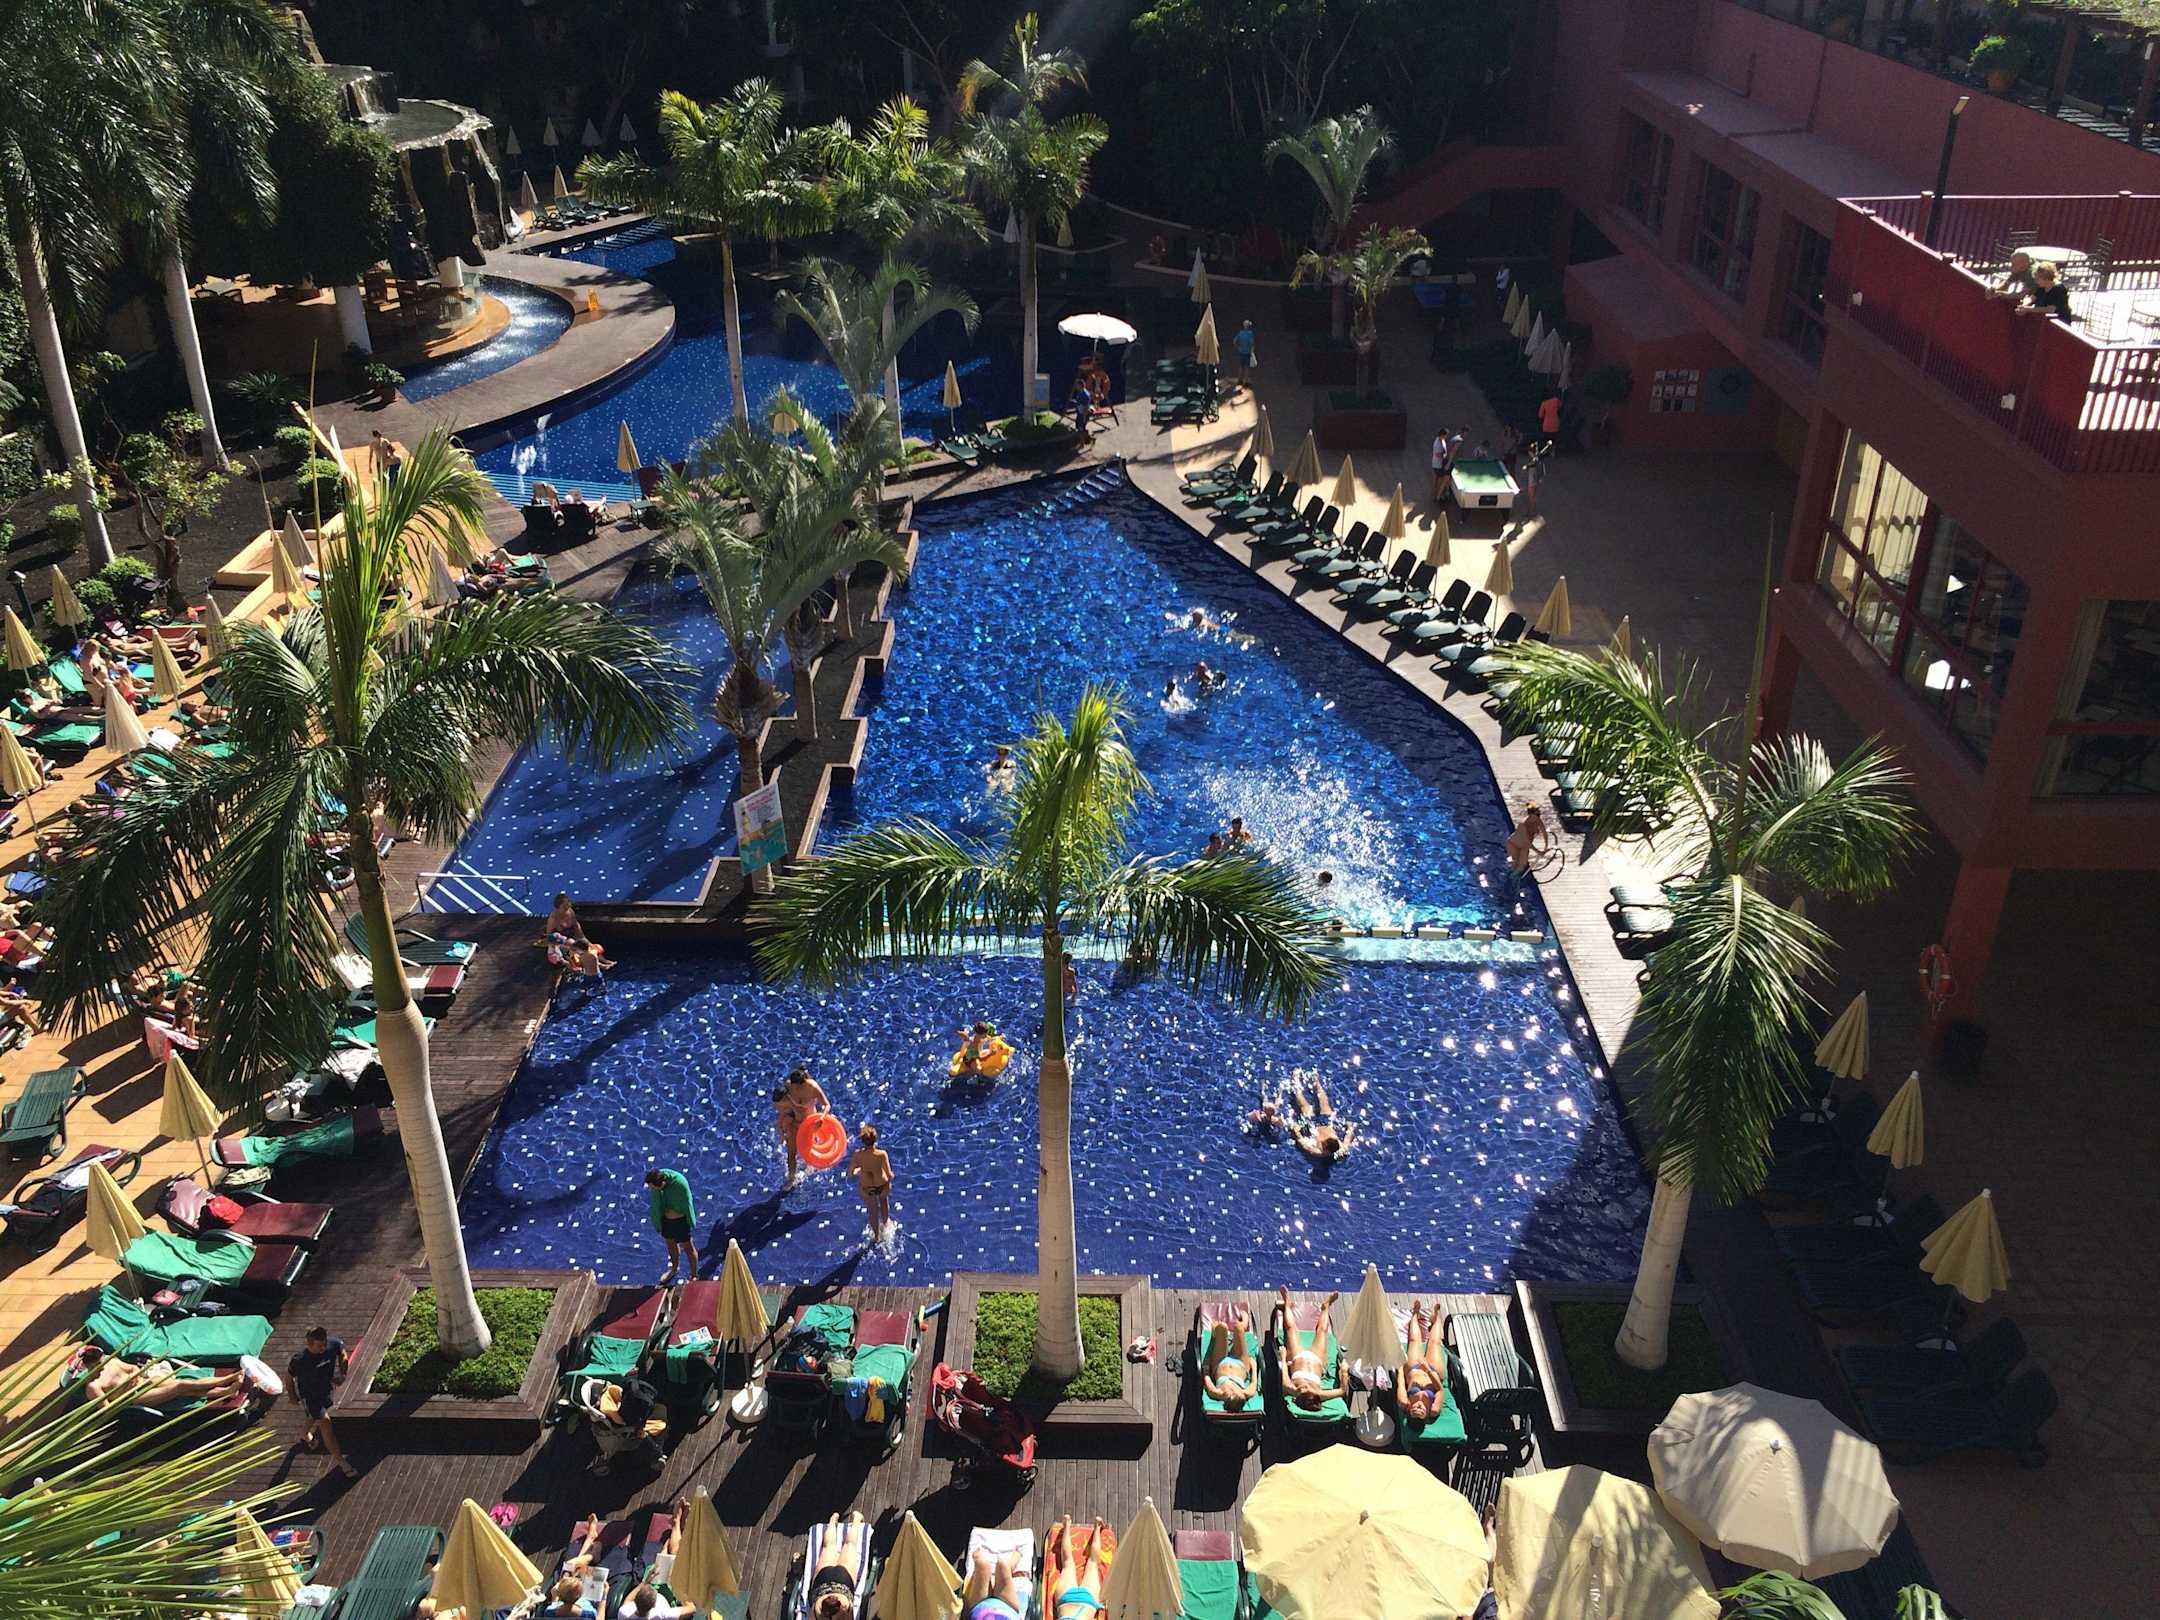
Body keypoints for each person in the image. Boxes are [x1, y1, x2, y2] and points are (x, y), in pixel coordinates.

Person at [287, 1325, 356, 1478]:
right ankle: (342, 1462)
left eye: (324, 1343)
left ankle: (304, 1433)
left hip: (326, 1390)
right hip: (310, 1396)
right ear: (309, 1344)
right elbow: (289, 1377)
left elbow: (342, 1355)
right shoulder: (300, 1360)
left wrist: (343, 1374)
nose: (323, 1348)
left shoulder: (333, 1344)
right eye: (319, 1346)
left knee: (315, 1416)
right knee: (325, 1422)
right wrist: (292, 1395)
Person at [1275, 1285, 1349, 1411]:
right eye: (1307, 1390)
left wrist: (1283, 1357)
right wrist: (1344, 1371)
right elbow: (1342, 1391)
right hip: (1317, 1359)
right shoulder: (1320, 1394)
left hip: (1297, 1357)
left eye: (1302, 1391)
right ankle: (1326, 1306)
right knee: (1322, 1331)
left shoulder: (1292, 1390)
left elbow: (1285, 1379)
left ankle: (1287, 1301)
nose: (1304, 1388)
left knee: (1291, 1329)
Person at [1043, 1519, 1115, 1620]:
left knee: (1092, 1563)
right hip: (1066, 1600)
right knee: (1067, 1563)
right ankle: (1067, 1525)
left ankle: (1097, 1527)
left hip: (1087, 1602)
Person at [808, 1513, 870, 1620]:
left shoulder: (844, 1607)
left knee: (850, 1545)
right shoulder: (818, 1608)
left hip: (843, 1580)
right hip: (824, 1579)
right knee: (828, 1546)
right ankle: (833, 1521)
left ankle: (856, 1519)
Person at [1200, 1301, 1258, 1411]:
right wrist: (1254, 1367)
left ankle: (1215, 1333)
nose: (1232, 1391)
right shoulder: (1246, 1392)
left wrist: (1206, 1368)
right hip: (1241, 1364)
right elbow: (1254, 1382)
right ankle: (1244, 1323)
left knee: (1222, 1327)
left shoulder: (1220, 1393)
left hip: (1220, 1363)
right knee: (1239, 1328)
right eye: (1235, 1392)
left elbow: (1207, 1381)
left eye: (1231, 1394)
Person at [1396, 1300, 1448, 1422]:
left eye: (1415, 1410)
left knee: (1414, 1341)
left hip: (1414, 1369)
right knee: (1435, 1343)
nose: (1419, 1406)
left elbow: (1401, 1383)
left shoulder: (1404, 1402)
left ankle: (1415, 1314)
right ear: (1426, 1415)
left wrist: (1400, 1366)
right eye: (1422, 1411)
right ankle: (1436, 1318)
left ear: (1410, 1411)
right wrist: (1428, 1370)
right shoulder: (1434, 1410)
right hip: (1434, 1371)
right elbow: (1440, 1390)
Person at [645, 1167, 697, 1284]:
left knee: (688, 1247)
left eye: (653, 1188)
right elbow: (656, 1206)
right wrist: (658, 1222)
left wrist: (689, 1221)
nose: (652, 1190)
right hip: (666, 1221)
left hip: (681, 1221)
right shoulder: (657, 1184)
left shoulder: (679, 1184)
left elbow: (686, 1203)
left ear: (662, 1184)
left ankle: (694, 1275)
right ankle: (674, 1268)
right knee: (671, 1245)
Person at [1285, 1076, 1355, 1160]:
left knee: (1304, 1104)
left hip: (1313, 1124)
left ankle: (1298, 1081)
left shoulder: (1318, 1152)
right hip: (1325, 1122)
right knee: (1322, 1100)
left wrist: (1296, 1130)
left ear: (1325, 1147)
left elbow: (1301, 1141)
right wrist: (1349, 1126)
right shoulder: (1342, 1148)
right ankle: (1315, 1080)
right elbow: (1349, 1134)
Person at [962, 1542, 1031, 1620]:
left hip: (979, 1606)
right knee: (1003, 1565)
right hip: (1007, 1607)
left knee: (982, 1565)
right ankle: (1016, 1557)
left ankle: (977, 1555)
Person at [849, 1124, 893, 1240]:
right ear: (875, 1139)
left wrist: (859, 1171)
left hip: (868, 1188)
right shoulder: (882, 1154)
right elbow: (889, 1174)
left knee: (873, 1212)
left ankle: (877, 1236)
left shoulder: (858, 1155)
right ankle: (886, 1224)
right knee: (884, 1203)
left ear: (863, 1141)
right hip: (882, 1185)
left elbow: (850, 1173)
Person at [1505, 802, 1554, 898]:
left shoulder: (1538, 821)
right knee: (1517, 866)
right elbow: (1527, 843)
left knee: (1522, 866)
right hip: (1514, 845)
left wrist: (1546, 847)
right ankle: (1510, 882)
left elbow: (1545, 833)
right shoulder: (1522, 825)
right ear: (1531, 814)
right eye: (1537, 814)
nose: (1538, 816)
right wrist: (1539, 852)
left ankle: (1514, 883)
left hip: (1524, 846)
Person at [1233, 319, 1257, 393]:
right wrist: (1252, 351)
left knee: (1241, 367)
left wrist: (1238, 348)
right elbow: (1252, 344)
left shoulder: (1240, 333)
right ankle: (1245, 382)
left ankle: (1239, 380)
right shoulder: (1250, 334)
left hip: (1241, 352)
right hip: (1247, 353)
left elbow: (1234, 341)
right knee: (1246, 368)